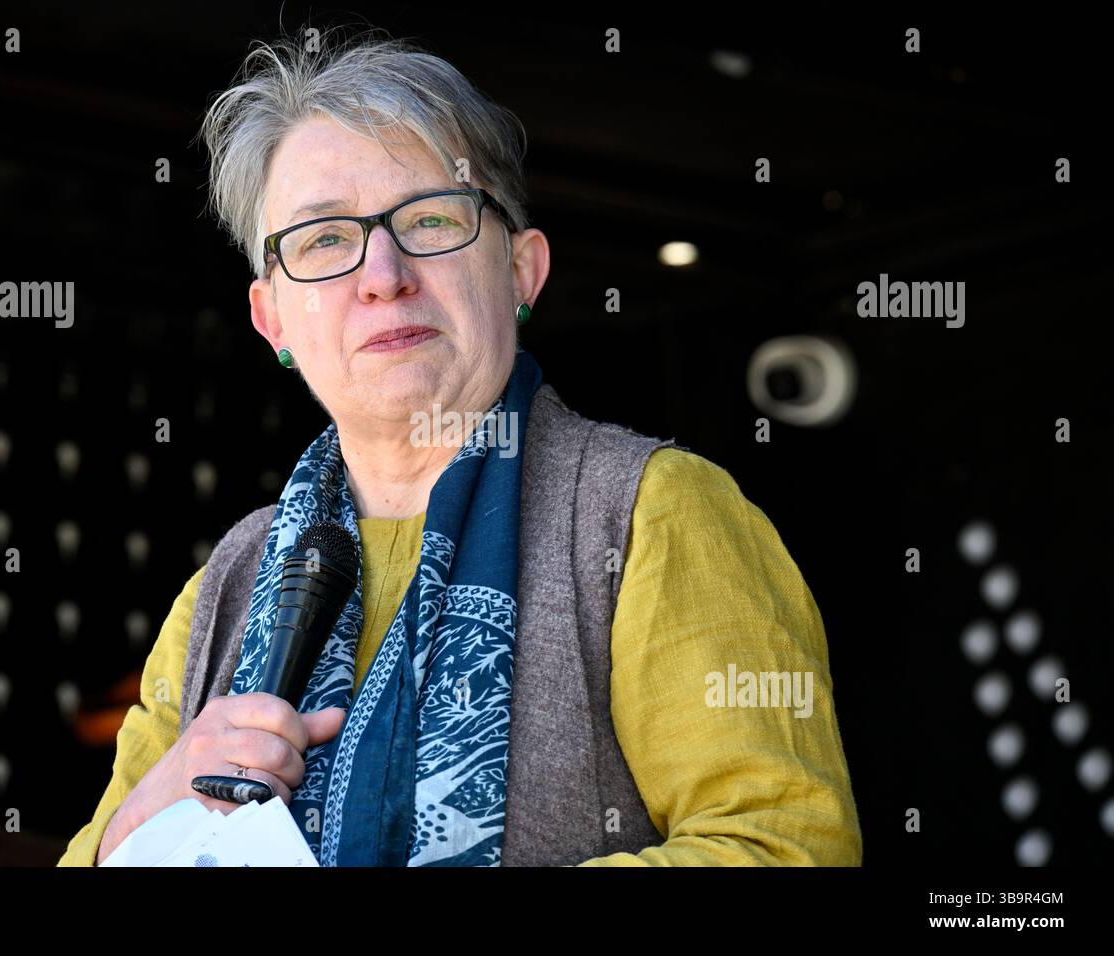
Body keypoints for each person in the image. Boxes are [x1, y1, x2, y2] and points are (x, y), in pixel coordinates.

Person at [59, 24, 862, 867]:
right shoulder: (229, 582)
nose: (382, 273)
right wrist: (152, 805)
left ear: (522, 270)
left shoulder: (650, 513)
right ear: (272, 320)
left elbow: (784, 845)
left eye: (431, 219)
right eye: (324, 239)